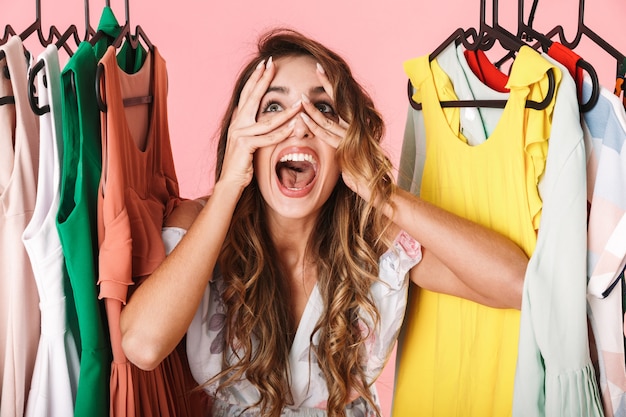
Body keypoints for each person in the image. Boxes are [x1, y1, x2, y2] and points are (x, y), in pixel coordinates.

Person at [119, 28, 528, 417]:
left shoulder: (377, 242)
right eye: (274, 107)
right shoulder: (201, 226)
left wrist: (382, 192)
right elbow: (142, 345)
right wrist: (229, 183)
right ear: (246, 137)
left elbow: (520, 285)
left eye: (323, 109)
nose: (299, 124)